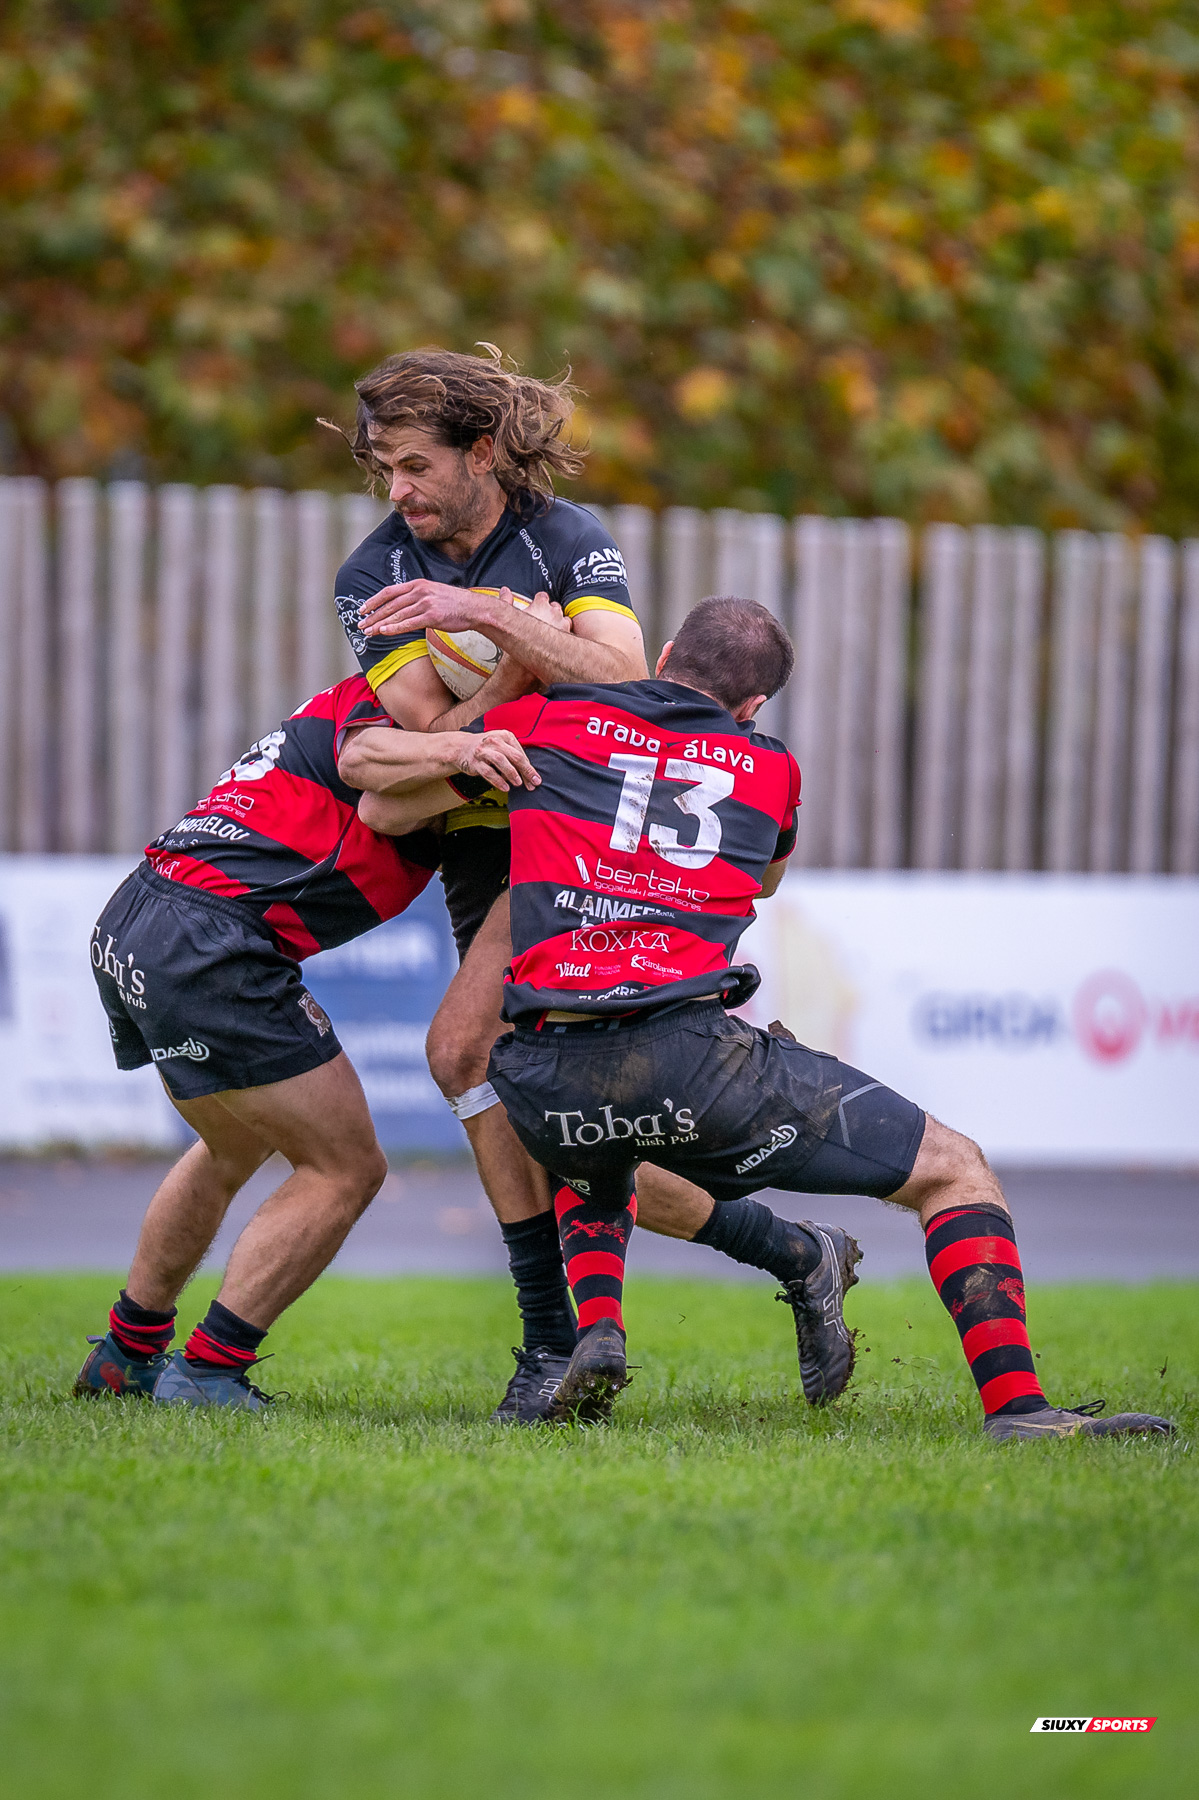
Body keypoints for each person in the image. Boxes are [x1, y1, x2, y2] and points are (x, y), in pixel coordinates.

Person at [354, 595, 1175, 1442]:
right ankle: (1018, 1410)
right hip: (694, 1059)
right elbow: (768, 879)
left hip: (536, 1071)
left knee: (594, 1139)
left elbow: (386, 804)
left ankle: (600, 1325)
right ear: (752, 707)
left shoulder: (544, 722)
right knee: (955, 1169)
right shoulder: (771, 766)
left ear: (665, 650)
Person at [329, 346, 854, 1421]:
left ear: (482, 452)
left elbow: (624, 679)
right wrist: (530, 651)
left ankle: (547, 1342)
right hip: (480, 846)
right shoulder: (372, 578)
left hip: (579, 836)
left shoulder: (565, 537)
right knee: (542, 1113)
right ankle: (795, 1252)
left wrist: (478, 619)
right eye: (383, 469)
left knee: (462, 1056)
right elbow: (434, 746)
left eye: (414, 466)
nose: (397, 494)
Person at [76, 674, 539, 1411]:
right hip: (212, 939)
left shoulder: (369, 695)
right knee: (345, 1168)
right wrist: (508, 714)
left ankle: (126, 1354)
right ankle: (207, 1371)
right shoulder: (390, 719)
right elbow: (380, 797)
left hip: (140, 912)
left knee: (232, 1145)